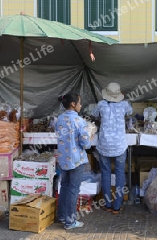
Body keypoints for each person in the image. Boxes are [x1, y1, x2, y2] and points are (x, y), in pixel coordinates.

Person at [91, 82, 133, 215]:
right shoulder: (124, 105)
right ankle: (117, 206)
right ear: (119, 94)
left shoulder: (101, 104)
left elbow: (93, 114)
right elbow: (131, 112)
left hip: (104, 144)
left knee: (105, 173)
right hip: (120, 144)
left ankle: (108, 204)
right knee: (120, 173)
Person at [55, 93, 91, 229]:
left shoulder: (58, 119)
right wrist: (89, 135)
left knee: (64, 186)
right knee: (73, 189)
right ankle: (70, 221)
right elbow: (86, 144)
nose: (81, 106)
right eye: (79, 103)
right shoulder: (79, 121)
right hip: (77, 160)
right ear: (73, 104)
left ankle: (62, 216)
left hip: (63, 159)